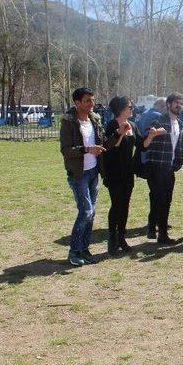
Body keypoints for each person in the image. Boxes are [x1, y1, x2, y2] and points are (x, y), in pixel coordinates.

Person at [60, 87, 106, 266]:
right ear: (77, 102)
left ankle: (84, 249)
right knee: (85, 211)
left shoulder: (95, 120)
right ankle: (74, 251)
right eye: (87, 100)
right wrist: (87, 149)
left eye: (92, 100)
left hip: (93, 172)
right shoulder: (69, 122)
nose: (91, 104)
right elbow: (65, 150)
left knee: (91, 213)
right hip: (78, 174)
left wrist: (120, 133)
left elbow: (102, 144)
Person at [102, 96, 144, 255]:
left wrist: (152, 136)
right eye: (129, 106)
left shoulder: (133, 124)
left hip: (128, 171)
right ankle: (112, 239)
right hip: (114, 171)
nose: (132, 108)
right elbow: (109, 148)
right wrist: (120, 133)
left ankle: (122, 237)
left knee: (125, 205)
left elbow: (142, 145)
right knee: (116, 204)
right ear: (120, 109)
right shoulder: (111, 125)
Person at [143, 92, 183, 244]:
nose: (179, 105)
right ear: (169, 104)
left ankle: (162, 233)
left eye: (181, 103)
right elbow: (144, 143)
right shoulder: (158, 120)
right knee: (157, 197)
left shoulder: (180, 124)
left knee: (166, 200)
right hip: (155, 166)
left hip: (169, 168)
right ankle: (152, 226)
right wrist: (152, 135)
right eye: (176, 102)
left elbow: (182, 146)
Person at [136, 97, 167, 239]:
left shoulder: (143, 114)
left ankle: (154, 223)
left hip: (144, 158)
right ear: (162, 106)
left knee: (155, 192)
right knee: (157, 194)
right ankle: (153, 224)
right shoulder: (158, 116)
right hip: (154, 159)